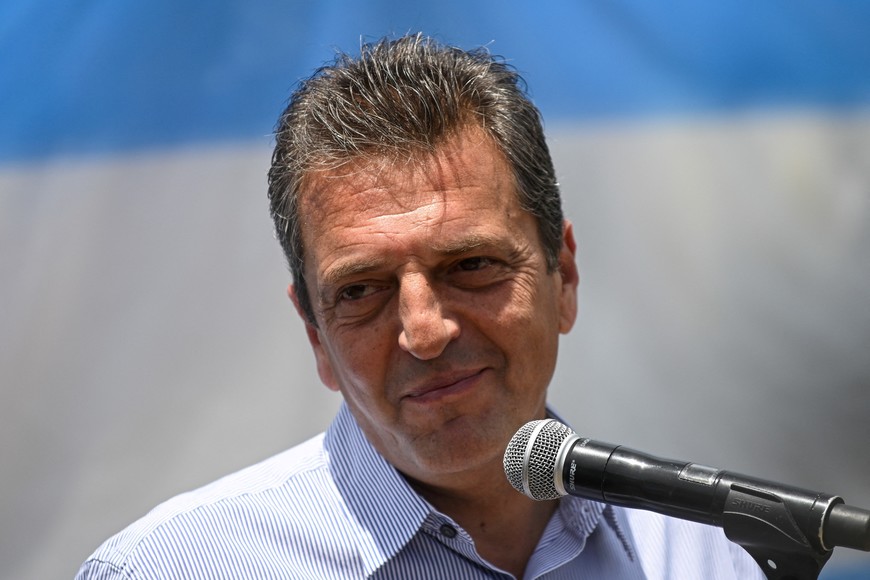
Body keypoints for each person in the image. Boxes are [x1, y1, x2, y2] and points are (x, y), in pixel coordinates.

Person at [77, 34, 764, 579]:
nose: (426, 331)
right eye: (361, 292)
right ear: (315, 335)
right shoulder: (170, 570)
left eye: (470, 266)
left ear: (564, 275)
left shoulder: (706, 551)